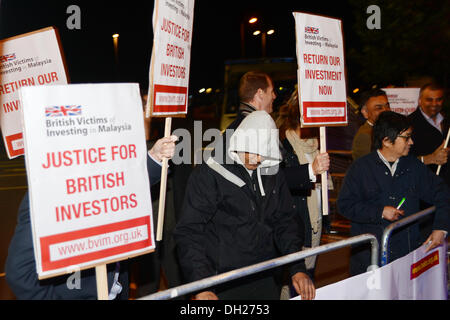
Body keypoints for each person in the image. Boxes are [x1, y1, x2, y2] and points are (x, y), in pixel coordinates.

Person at [5, 135, 177, 300]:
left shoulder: (104, 171)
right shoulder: (48, 192)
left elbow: (126, 183)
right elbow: (19, 273)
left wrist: (154, 157)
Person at [174, 111, 316, 300]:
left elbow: (285, 221)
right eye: (254, 152)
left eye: (263, 154)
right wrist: (202, 284)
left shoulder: (272, 171)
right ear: (240, 142)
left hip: (265, 276)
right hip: (221, 281)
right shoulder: (209, 174)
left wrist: (297, 268)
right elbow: (190, 231)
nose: (258, 159)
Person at [338, 111, 449, 276]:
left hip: (407, 256)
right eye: (406, 137)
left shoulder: (413, 166)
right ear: (387, 141)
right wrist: (379, 212)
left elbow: (442, 193)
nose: (411, 142)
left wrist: (441, 227)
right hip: (370, 260)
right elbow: (345, 205)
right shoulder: (360, 169)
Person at [219, 71, 329, 199]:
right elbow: (267, 177)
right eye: (271, 91)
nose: (274, 96)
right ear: (260, 93)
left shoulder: (235, 127)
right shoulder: (252, 131)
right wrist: (311, 170)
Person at [276, 89, 333, 281]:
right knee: (293, 278)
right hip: (296, 223)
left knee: (308, 275)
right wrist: (311, 170)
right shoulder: (284, 144)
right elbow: (282, 182)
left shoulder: (317, 144)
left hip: (314, 222)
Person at [407, 82, 449, 186]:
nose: (434, 104)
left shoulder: (447, 121)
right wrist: (430, 158)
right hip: (424, 189)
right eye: (429, 100)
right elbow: (401, 161)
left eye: (438, 99)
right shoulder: (408, 124)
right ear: (420, 101)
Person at [351, 88, 390, 161]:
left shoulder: (386, 129)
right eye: (379, 108)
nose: (386, 111)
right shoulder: (365, 136)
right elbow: (371, 167)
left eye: (387, 106)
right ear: (365, 112)